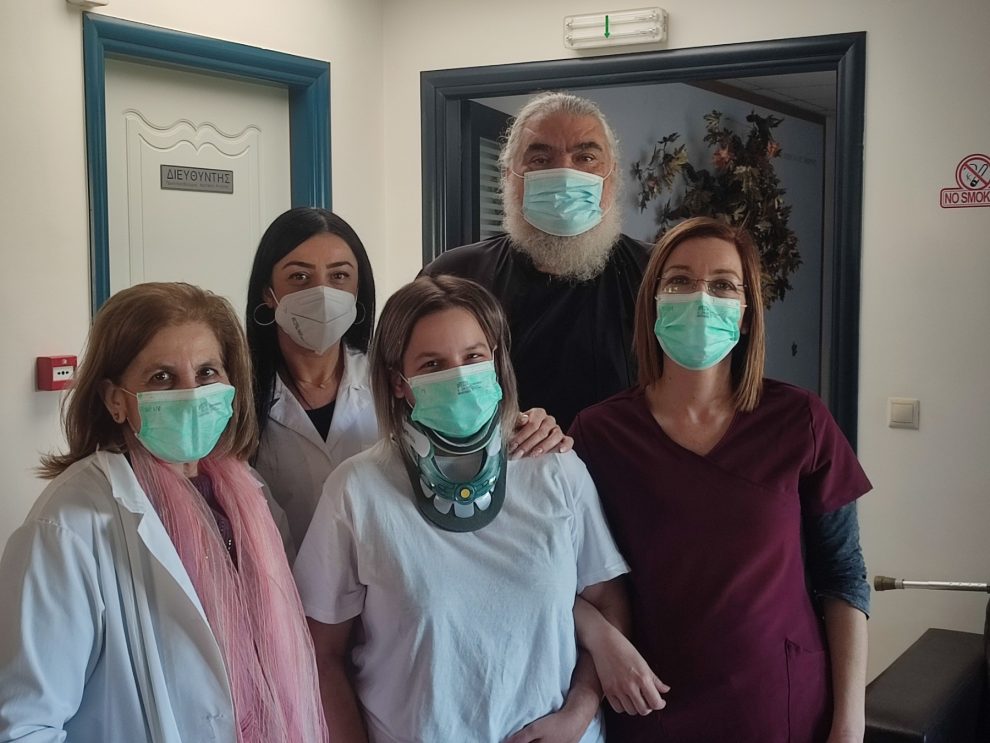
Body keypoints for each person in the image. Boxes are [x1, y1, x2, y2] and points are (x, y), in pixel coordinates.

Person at [295, 275, 656, 743]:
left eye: (473, 357)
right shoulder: (357, 491)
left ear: (497, 362)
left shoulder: (555, 469)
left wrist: (579, 713)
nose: (461, 378)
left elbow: (607, 601)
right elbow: (322, 654)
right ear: (399, 382)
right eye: (433, 364)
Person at [569, 217, 871, 742]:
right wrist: (600, 639)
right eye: (679, 281)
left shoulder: (799, 421)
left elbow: (843, 576)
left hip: (780, 706)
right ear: (652, 304)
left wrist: (850, 723)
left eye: (724, 285)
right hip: (650, 703)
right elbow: (555, 575)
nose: (701, 298)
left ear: (747, 315)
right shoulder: (600, 434)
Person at [0, 283, 327, 743]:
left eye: (207, 372)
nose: (191, 394)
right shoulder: (69, 525)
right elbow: (25, 726)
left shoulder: (247, 494)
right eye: (161, 377)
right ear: (115, 399)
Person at [248, 207, 571, 553]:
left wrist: (527, 426)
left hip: (393, 569)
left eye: (339, 275)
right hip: (282, 578)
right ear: (268, 292)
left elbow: (466, 432)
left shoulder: (405, 382)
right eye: (299, 277)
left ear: (358, 289)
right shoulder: (242, 398)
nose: (323, 293)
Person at [422, 91, 650, 430]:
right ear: (508, 175)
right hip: (494, 461)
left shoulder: (655, 273)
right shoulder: (455, 276)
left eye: (586, 157)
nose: (565, 174)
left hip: (620, 462)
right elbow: (418, 385)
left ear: (612, 176)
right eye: (541, 159)